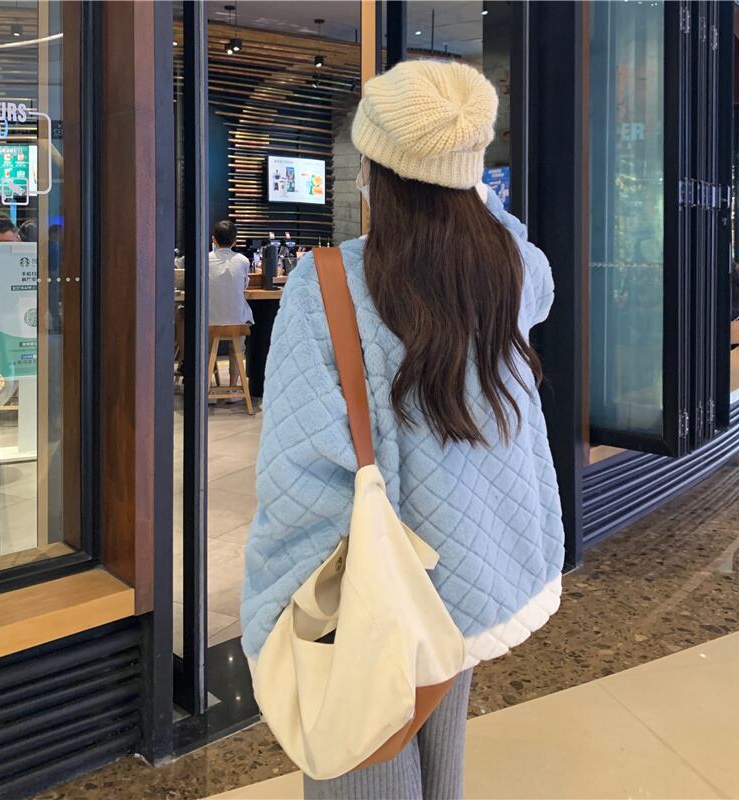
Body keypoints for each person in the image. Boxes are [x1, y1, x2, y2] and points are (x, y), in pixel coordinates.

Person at [241, 60, 563, 799]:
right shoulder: (511, 268)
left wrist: (277, 602)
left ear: (375, 171)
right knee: (441, 772)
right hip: (474, 573)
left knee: (365, 767)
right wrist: (470, 185)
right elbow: (531, 265)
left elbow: (300, 470)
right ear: (465, 174)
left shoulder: (328, 283)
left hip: (380, 595)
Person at [209, 219, 253, 394]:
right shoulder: (243, 261)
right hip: (237, 323)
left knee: (206, 348)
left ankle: (208, 387)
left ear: (214, 240)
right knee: (237, 349)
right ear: (235, 241)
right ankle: (233, 390)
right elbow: (244, 286)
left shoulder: (204, 260)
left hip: (209, 322)